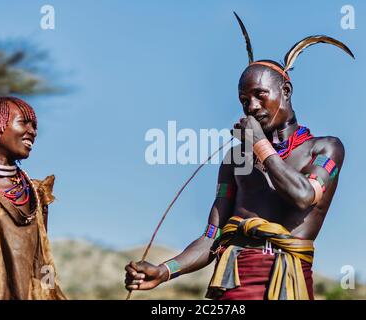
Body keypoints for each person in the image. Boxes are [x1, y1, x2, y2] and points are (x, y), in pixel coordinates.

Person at [125, 14, 354, 300]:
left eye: (260, 95)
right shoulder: (236, 160)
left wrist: (259, 144)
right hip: (230, 284)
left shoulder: (326, 149)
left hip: (285, 283)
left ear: (285, 91)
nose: (252, 106)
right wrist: (165, 270)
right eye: (244, 100)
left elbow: (304, 195)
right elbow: (212, 236)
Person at [0, 96, 65, 300]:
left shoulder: (36, 193)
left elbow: (43, 260)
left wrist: (49, 294)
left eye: (34, 126)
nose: (32, 131)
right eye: (23, 122)